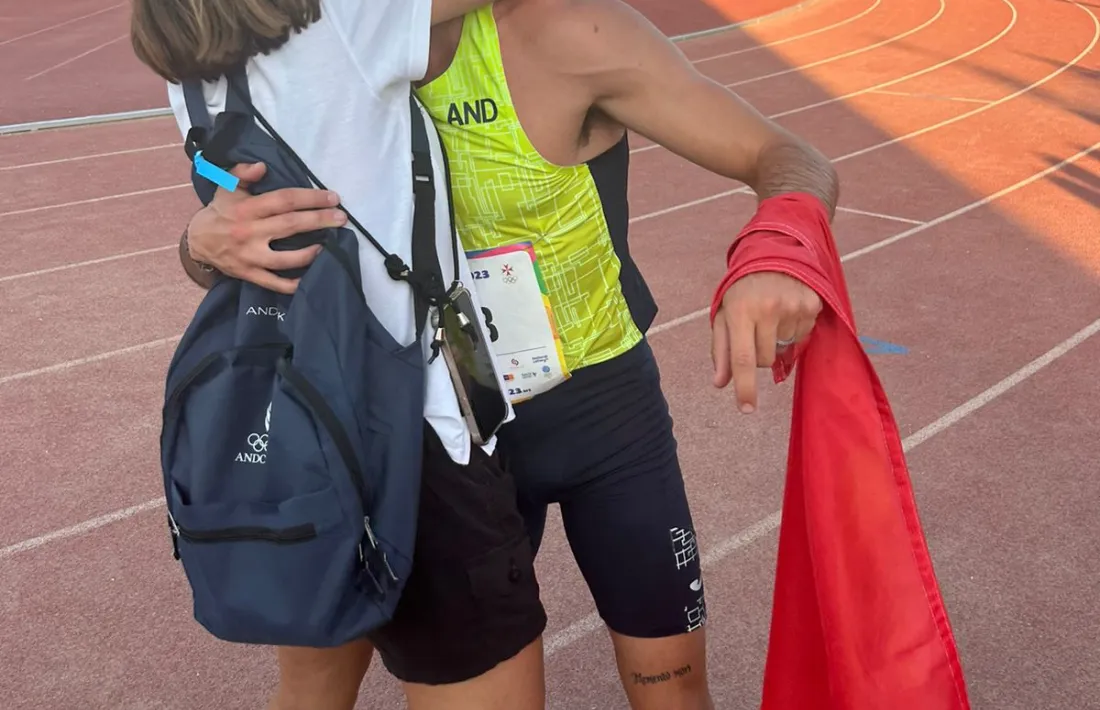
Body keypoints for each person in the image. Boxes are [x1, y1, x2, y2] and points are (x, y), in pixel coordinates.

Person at [180, 0, 839, 708]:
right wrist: (199, 244)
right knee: (314, 682)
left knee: (672, 689)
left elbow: (787, 155)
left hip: (602, 418)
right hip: (425, 437)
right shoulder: (313, 57)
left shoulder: (565, 30)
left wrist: (779, 246)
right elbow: (243, 246)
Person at [128, 2, 550, 709]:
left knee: (313, 685)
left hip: (310, 422)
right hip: (412, 437)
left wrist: (195, 244)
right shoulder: (351, 20)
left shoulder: (197, 74)